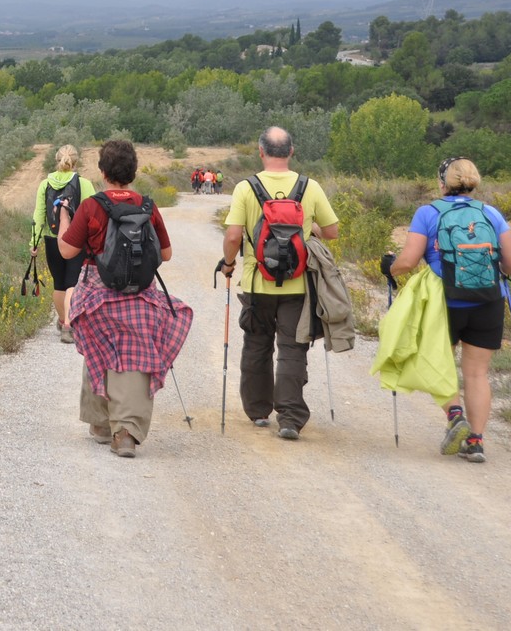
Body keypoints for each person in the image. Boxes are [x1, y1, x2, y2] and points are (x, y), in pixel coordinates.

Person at [59, 139, 192, 458]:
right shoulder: (147, 206)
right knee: (135, 358)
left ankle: (101, 423)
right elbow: (166, 254)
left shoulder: (92, 207)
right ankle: (126, 433)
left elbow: (66, 250)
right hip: (140, 296)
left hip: (97, 297)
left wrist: (63, 215)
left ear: (103, 172)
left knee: (97, 349)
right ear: (133, 172)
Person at [384, 157, 511, 463]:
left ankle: (455, 415)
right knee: (477, 373)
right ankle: (475, 441)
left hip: (444, 301)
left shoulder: (428, 213)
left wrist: (389, 268)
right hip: (487, 300)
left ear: (442, 183)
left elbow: (408, 261)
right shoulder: (491, 214)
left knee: (438, 362)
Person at [220, 127, 339, 440]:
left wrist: (229, 264)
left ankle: (258, 411)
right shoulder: (309, 187)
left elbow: (233, 236)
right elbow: (332, 231)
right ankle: (290, 418)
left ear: (261, 151)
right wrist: (310, 227)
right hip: (297, 285)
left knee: (256, 344)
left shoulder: (246, 188)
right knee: (292, 348)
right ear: (291, 151)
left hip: (257, 283)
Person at [31, 145, 85, 343]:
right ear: (76, 161)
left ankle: (62, 320)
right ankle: (69, 326)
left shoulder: (45, 184)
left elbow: (38, 216)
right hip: (76, 240)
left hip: (52, 238)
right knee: (73, 282)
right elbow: (93, 214)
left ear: (56, 160)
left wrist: (34, 242)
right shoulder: (84, 184)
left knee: (59, 283)